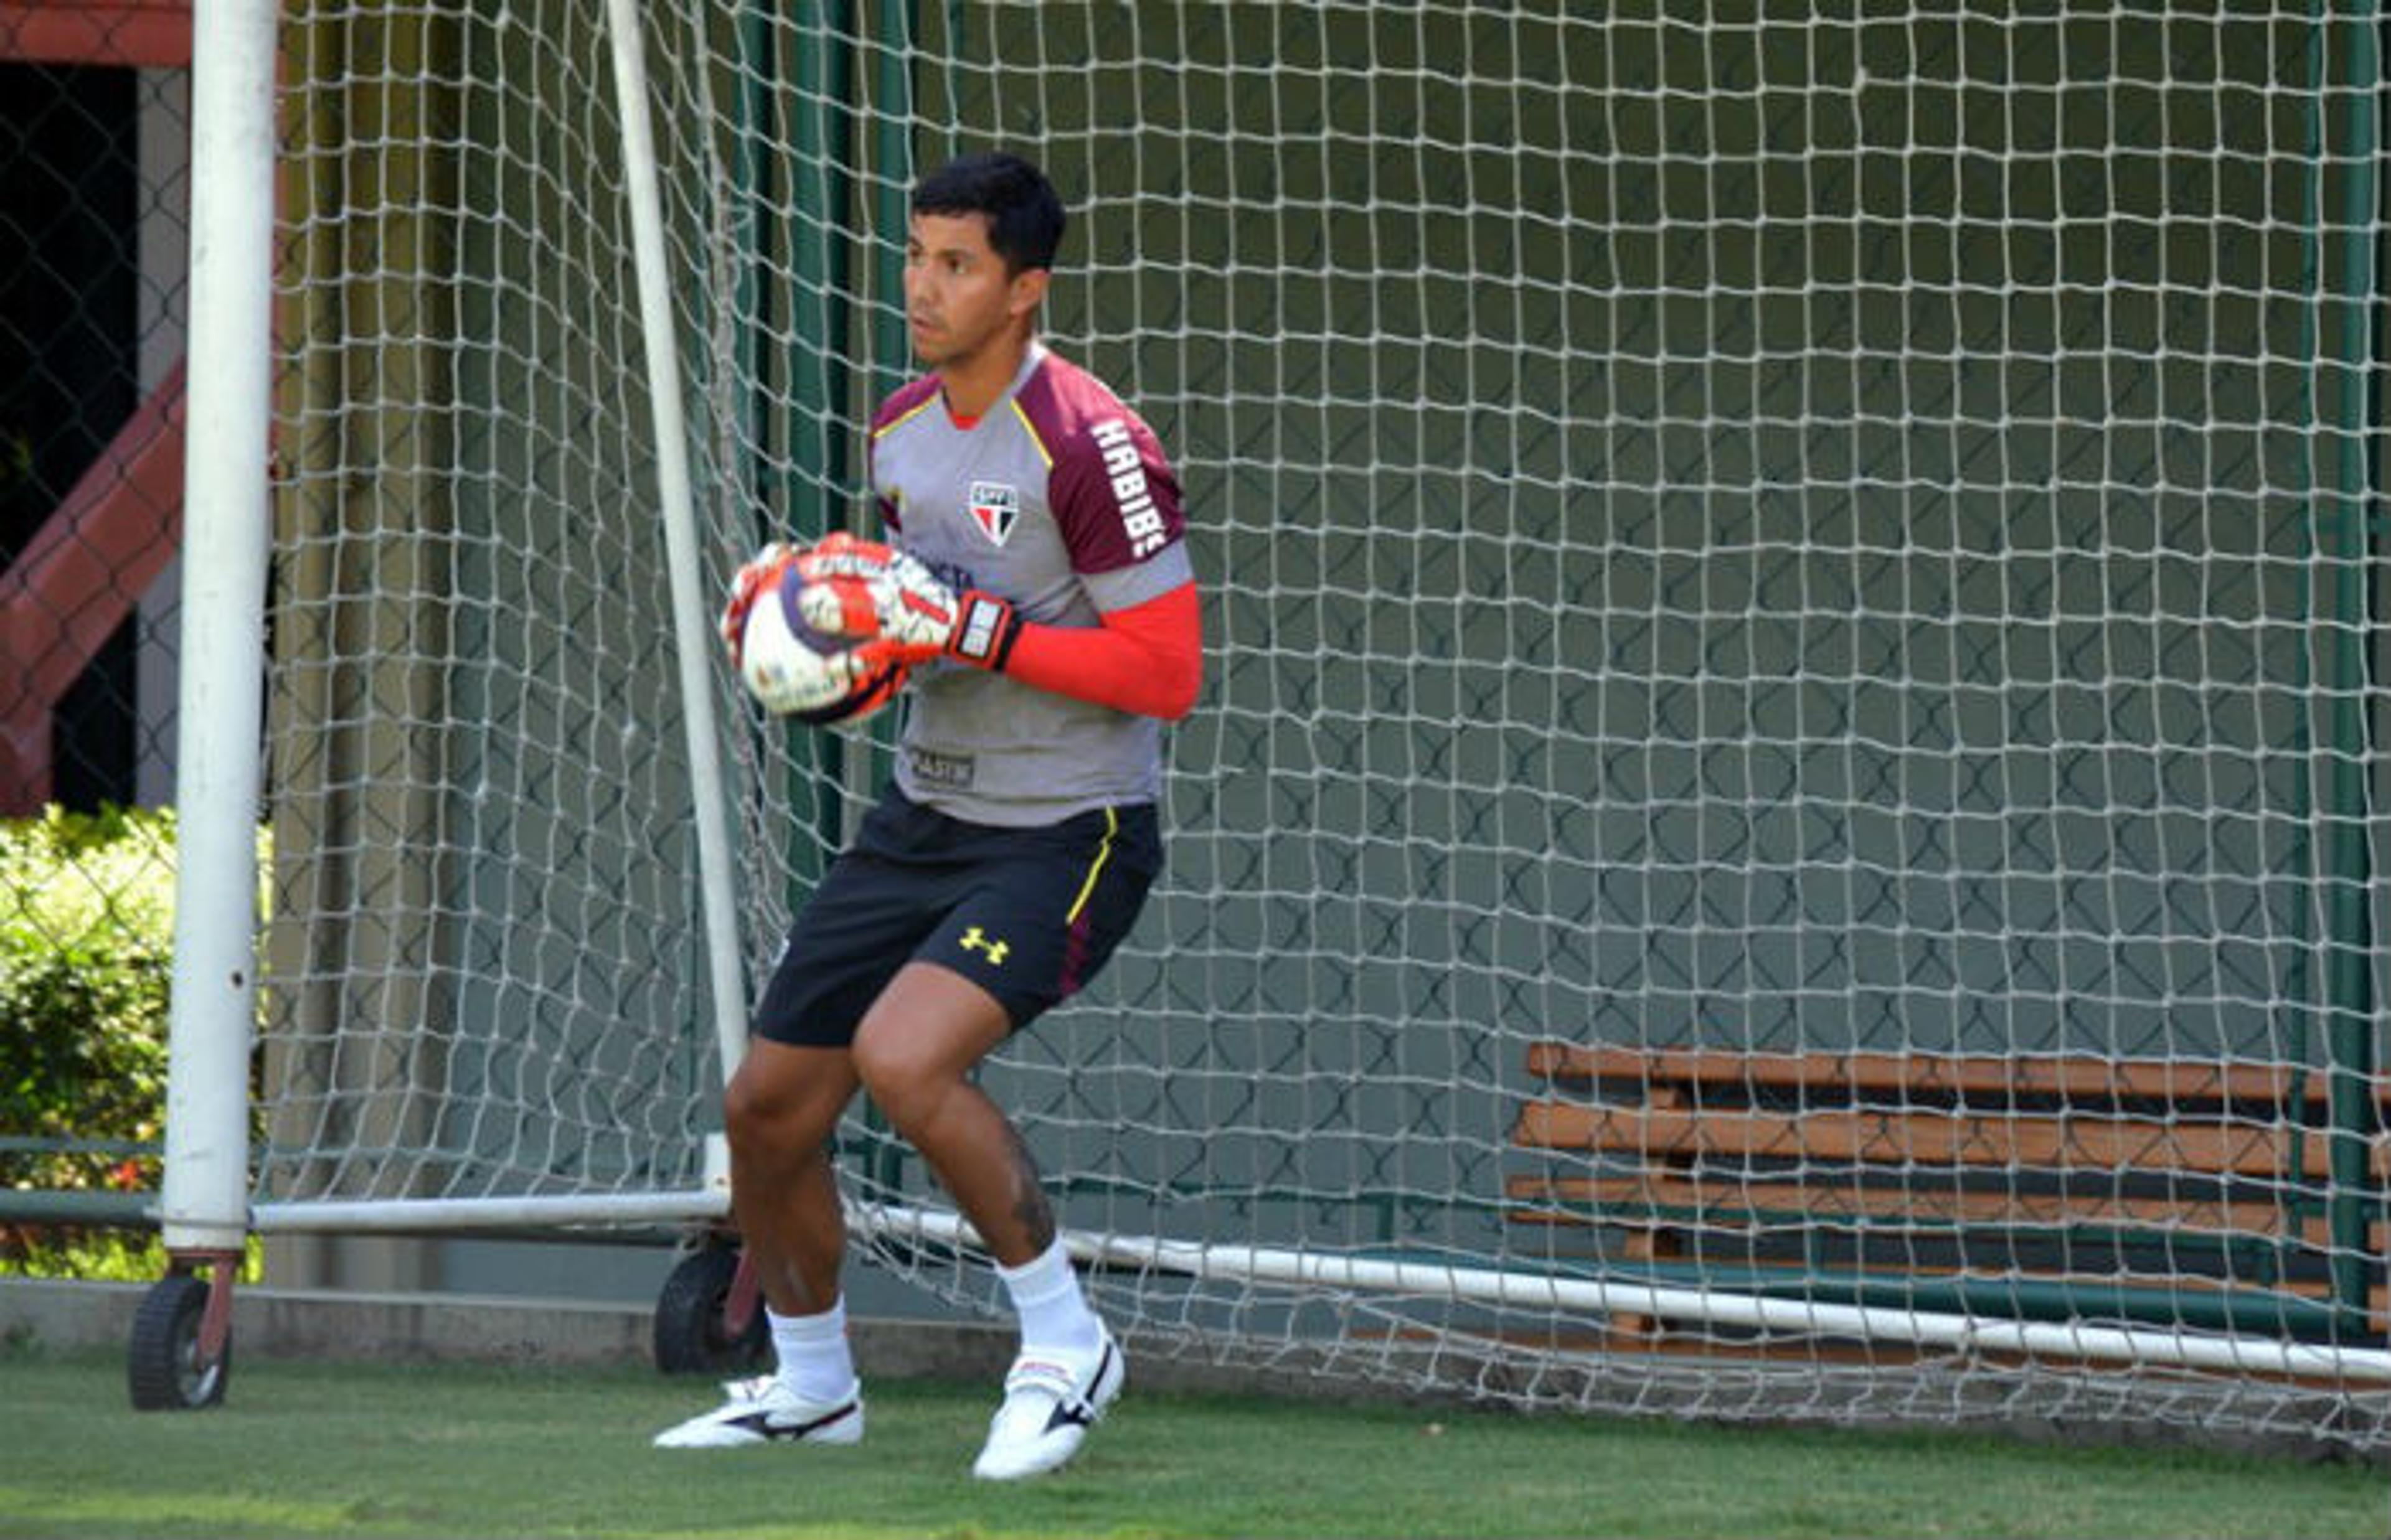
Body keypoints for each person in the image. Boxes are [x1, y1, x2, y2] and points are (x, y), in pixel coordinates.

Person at [654, 152, 1202, 1481]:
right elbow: (918, 620)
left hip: (1072, 833)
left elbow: (1167, 673)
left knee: (905, 1060)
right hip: (924, 818)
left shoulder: (1092, 445)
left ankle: (1067, 1346)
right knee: (767, 1109)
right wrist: (821, 618)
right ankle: (813, 1384)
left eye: (957, 265)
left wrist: (973, 626)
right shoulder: (899, 428)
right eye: (917, 255)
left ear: (1026, 289)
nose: (924, 285)